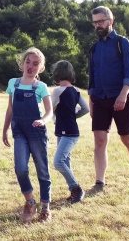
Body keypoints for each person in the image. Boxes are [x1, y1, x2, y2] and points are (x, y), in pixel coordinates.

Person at [87, 5, 129, 194]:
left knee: (127, 139)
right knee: (99, 141)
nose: (98, 25)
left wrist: (123, 94)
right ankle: (99, 183)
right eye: (95, 22)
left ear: (110, 21)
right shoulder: (94, 48)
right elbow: (92, 75)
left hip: (121, 98)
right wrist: (91, 98)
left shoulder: (122, 43)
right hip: (99, 99)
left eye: (101, 21)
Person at [2, 47, 54, 223]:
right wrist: (5, 130)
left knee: (42, 170)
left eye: (35, 63)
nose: (30, 66)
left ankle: (45, 208)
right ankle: (30, 202)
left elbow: (49, 111)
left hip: (36, 132)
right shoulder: (13, 83)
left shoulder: (41, 87)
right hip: (19, 132)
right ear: (22, 63)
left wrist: (43, 121)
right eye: (28, 62)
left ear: (41, 68)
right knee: (21, 169)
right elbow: (10, 109)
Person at [50, 60, 90, 203]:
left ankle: (76, 188)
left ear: (56, 74)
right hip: (69, 131)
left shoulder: (57, 91)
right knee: (66, 162)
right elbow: (86, 109)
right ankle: (73, 193)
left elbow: (50, 110)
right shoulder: (76, 91)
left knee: (58, 162)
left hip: (66, 133)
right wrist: (73, 116)